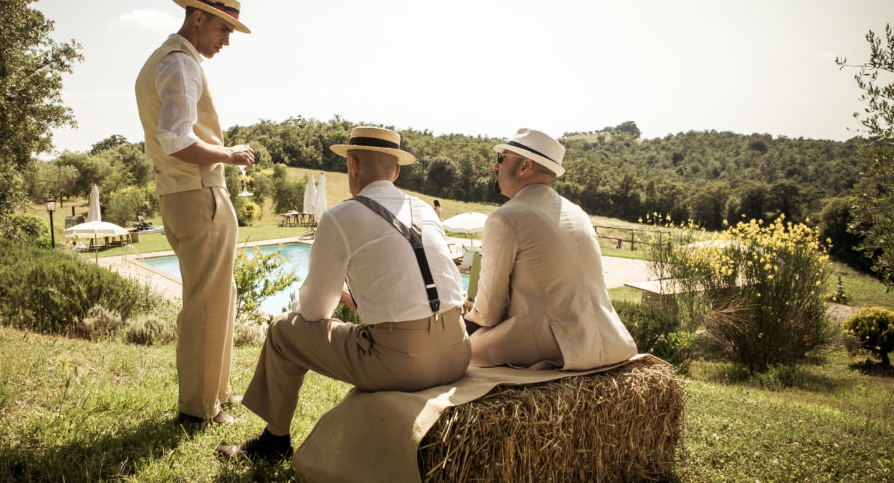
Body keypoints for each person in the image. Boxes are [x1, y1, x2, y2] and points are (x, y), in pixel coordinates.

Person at [218, 126, 470, 460]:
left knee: (282, 331)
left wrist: (332, 297)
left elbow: (312, 312)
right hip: (457, 349)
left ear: (352, 165)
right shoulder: (424, 209)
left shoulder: (340, 217)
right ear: (396, 171)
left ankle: (274, 442)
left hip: (403, 363)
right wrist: (356, 295)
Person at [135, 0, 256, 425]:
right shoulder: (181, 64)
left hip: (183, 193)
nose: (226, 41)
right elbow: (176, 139)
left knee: (218, 294)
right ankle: (200, 409)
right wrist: (230, 154)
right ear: (198, 18)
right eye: (224, 29)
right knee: (206, 301)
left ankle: (216, 392)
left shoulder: (166, 59)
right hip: (198, 192)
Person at [463, 128, 637, 370]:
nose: (495, 166)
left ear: (524, 166)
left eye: (502, 158)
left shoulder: (505, 218)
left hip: (553, 343)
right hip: (606, 339)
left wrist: (466, 309)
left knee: (455, 346)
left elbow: (488, 315)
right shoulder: (578, 213)